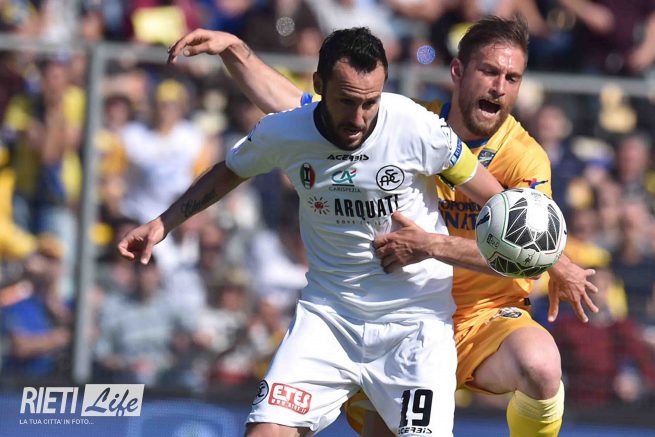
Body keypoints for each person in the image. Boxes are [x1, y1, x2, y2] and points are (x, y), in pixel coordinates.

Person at [166, 15, 598, 437]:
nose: (499, 87)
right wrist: (235, 50)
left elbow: (525, 256)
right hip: (390, 309)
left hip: (481, 319)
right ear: (458, 71)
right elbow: (302, 109)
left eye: (512, 78)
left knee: (541, 365)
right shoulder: (411, 122)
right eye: (489, 71)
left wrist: (432, 246)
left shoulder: (524, 158)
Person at [124, 27, 503, 436]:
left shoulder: (417, 128)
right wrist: (164, 223)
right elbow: (230, 171)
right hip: (328, 318)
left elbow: (499, 204)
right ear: (319, 85)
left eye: (370, 103)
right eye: (347, 102)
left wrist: (439, 245)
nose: (358, 118)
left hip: (415, 324)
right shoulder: (285, 132)